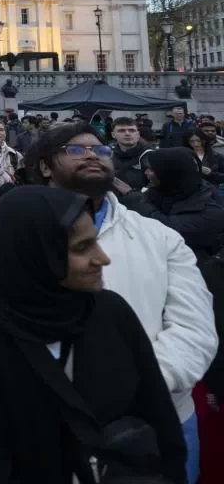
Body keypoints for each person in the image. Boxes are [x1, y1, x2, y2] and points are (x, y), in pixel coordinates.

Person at [0, 186, 187, 483]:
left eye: (95, 242)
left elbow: (160, 420)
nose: (102, 258)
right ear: (35, 252)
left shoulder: (109, 312)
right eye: (82, 248)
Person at [28, 124, 216, 482]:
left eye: (100, 150)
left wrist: (141, 384)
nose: (92, 156)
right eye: (76, 149)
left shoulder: (159, 237)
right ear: (45, 166)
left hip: (157, 418)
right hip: (48, 422)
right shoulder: (13, 235)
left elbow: (194, 327)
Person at [115, 147, 224, 264]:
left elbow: (166, 229)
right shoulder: (163, 190)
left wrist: (133, 198)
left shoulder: (212, 209)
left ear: (169, 173)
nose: (146, 173)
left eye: (152, 169)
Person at [112, 116, 150, 191]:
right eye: (121, 131)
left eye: (132, 130)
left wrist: (132, 194)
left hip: (141, 197)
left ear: (138, 134)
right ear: (113, 134)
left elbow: (156, 185)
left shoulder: (150, 155)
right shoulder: (108, 155)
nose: (127, 133)